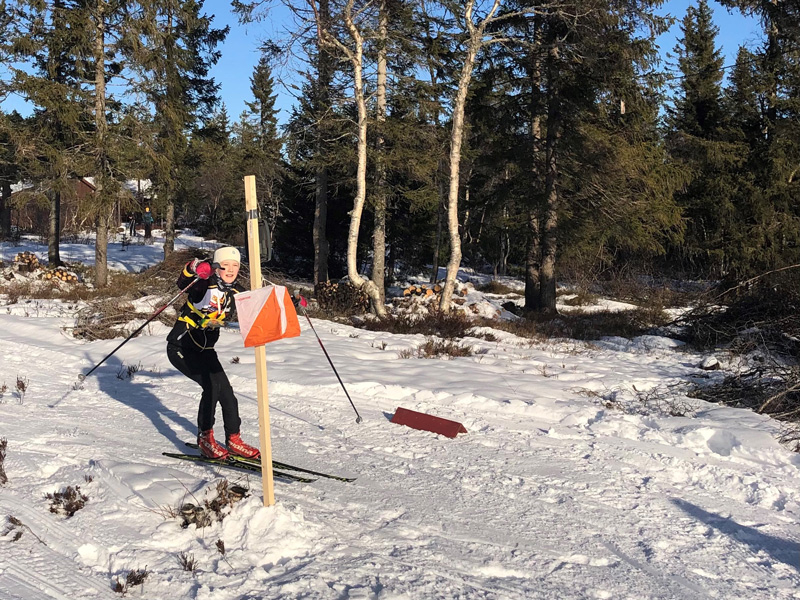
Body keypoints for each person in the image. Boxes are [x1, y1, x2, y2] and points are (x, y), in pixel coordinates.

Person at [166, 246, 260, 460]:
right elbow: (184, 281)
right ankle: (205, 439)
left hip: (206, 350)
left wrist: (289, 302)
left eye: (235, 266)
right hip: (182, 347)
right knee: (211, 387)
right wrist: (195, 267)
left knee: (227, 393)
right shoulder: (203, 283)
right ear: (216, 267)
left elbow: (257, 306)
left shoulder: (237, 291)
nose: (231, 270)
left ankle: (234, 439)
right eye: (225, 265)